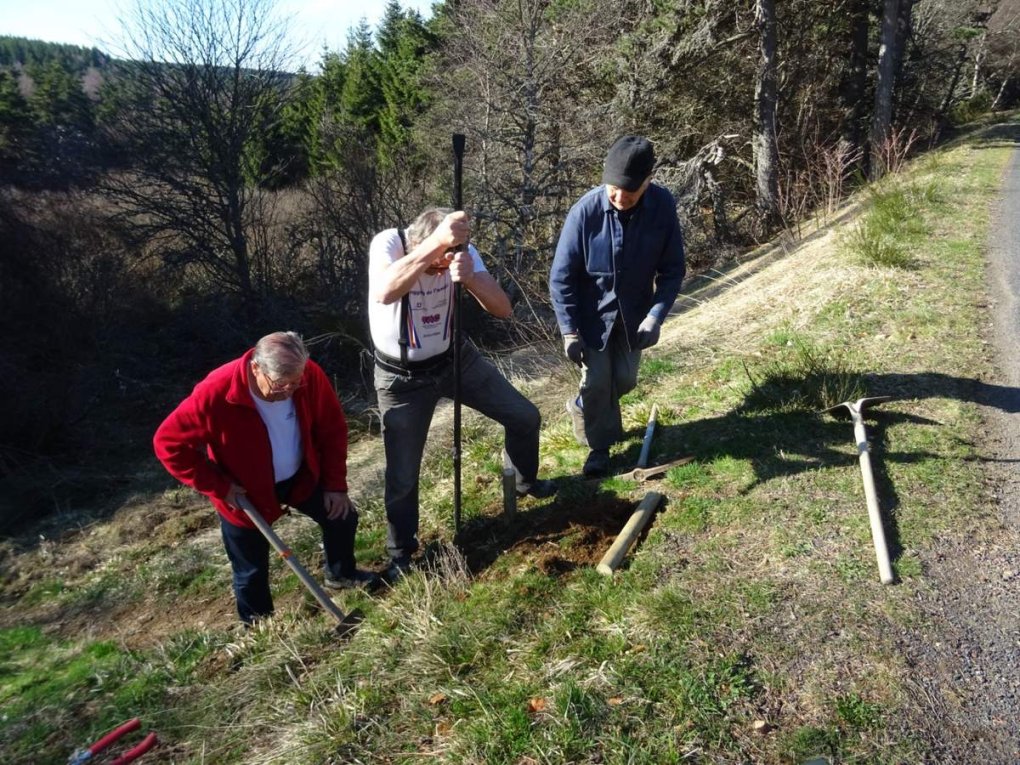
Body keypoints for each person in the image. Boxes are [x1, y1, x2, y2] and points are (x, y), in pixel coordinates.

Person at [368, 207, 557, 582]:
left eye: (443, 264)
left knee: (524, 416)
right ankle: (401, 552)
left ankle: (524, 480)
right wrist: (435, 247)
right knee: (403, 473)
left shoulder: (462, 251)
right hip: (401, 379)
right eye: (435, 262)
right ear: (418, 242)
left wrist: (470, 277)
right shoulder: (390, 243)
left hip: (456, 359)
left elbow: (502, 308)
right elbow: (385, 291)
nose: (439, 271)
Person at [153, 331, 377, 626]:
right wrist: (219, 487)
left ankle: (342, 574)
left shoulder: (307, 376)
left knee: (341, 517)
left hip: (301, 476)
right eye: (281, 385)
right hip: (245, 492)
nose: (290, 391)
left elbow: (331, 428)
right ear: (256, 368)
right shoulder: (216, 392)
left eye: (296, 383)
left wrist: (335, 484)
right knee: (250, 569)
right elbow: (168, 444)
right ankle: (259, 627)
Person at [549, 135, 686, 478]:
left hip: (633, 318)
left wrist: (656, 316)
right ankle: (599, 450)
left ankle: (581, 406)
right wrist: (568, 331)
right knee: (597, 382)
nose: (620, 198)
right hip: (591, 320)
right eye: (613, 190)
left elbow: (672, 270)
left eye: (630, 192)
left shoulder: (663, 207)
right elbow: (561, 278)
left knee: (623, 381)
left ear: (648, 182)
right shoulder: (585, 212)